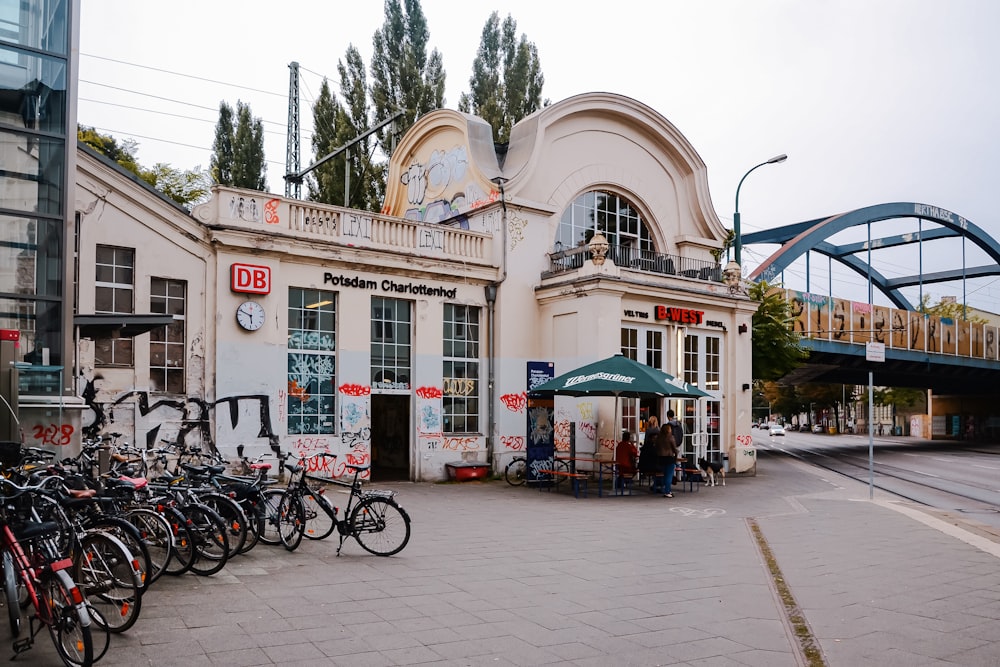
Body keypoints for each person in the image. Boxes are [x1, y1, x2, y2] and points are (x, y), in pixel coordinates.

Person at [656, 412, 680, 498]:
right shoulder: (670, 437)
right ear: (669, 430)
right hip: (669, 458)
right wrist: (676, 456)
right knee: (669, 475)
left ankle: (664, 489)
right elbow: (674, 448)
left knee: (664, 474)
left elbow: (656, 447)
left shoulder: (659, 438)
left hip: (661, 458)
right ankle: (668, 491)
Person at [639, 416, 660, 491]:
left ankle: (655, 483)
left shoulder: (648, 430)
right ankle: (657, 483)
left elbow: (645, 442)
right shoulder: (659, 430)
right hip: (655, 461)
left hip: (646, 463)